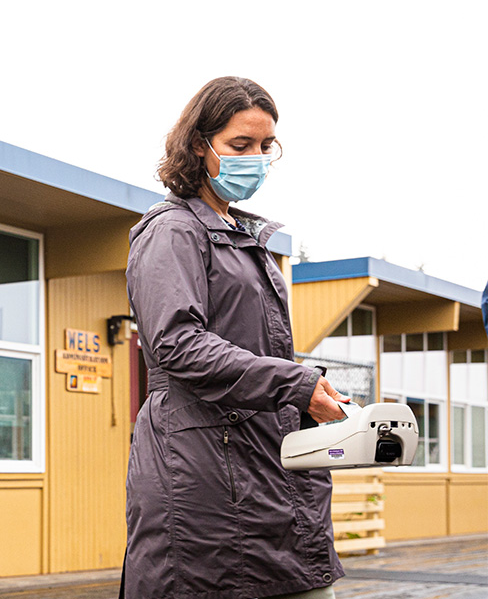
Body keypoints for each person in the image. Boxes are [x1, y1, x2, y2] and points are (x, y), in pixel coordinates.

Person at [123, 77, 350, 599]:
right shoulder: (173, 230)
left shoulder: (246, 237)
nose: (256, 157)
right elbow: (177, 343)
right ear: (198, 145)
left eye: (265, 146)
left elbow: (258, 355)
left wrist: (307, 398)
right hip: (204, 470)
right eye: (239, 145)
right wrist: (294, 385)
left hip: (263, 462)